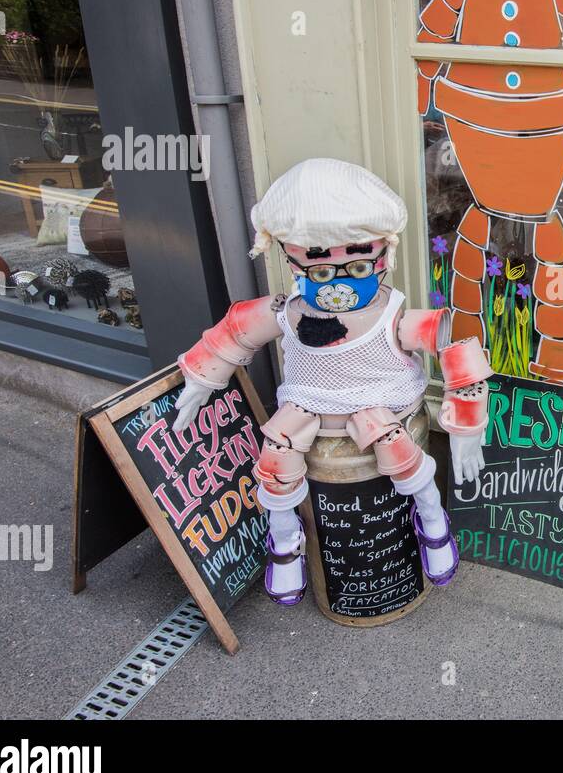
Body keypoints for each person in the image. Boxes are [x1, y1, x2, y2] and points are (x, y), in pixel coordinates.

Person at [170, 158, 492, 605]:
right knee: (276, 461)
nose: (338, 283)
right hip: (307, 411)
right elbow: (235, 330)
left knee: (403, 458)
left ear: (383, 253)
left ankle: (433, 521)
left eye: (358, 266)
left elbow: (457, 348)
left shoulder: (391, 314)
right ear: (289, 255)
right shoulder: (289, 309)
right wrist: (203, 377)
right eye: (320, 271)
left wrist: (468, 424)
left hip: (381, 409)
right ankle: (285, 544)